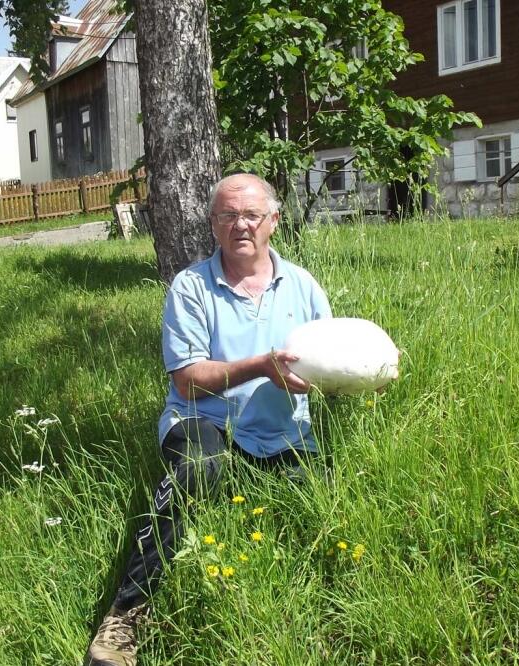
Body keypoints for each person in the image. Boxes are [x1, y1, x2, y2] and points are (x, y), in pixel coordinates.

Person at [87, 173, 332, 666]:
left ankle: (317, 613)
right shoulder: (190, 286)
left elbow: (328, 358)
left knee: (323, 499)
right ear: (213, 224)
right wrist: (263, 366)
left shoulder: (303, 286)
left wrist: (366, 372)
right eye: (227, 215)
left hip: (283, 430)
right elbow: (188, 381)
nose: (240, 225)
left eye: (251, 215)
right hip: (205, 418)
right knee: (197, 467)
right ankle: (125, 616)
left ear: (274, 222)